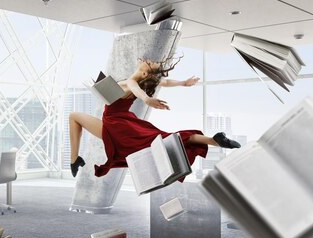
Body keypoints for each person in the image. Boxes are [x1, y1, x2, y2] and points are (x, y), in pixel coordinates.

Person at [69, 57, 240, 178]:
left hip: (116, 125)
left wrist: (147, 99)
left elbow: (136, 90)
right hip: (119, 123)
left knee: (74, 116)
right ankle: (214, 140)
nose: (147, 60)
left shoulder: (131, 82)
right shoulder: (138, 82)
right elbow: (164, 82)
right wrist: (183, 83)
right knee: (165, 139)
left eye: (149, 64)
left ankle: (74, 160)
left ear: (144, 74)